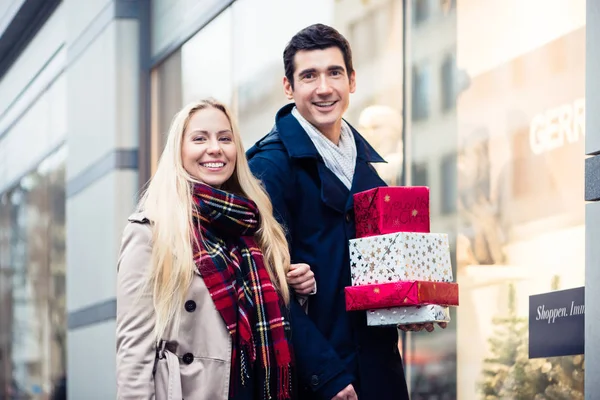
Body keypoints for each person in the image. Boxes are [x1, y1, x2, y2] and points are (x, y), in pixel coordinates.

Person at [247, 24, 444, 400]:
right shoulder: (269, 168)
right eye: (309, 76)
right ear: (288, 87)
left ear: (352, 80)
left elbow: (376, 275)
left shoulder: (369, 171)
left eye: (334, 73)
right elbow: (266, 289)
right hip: (319, 382)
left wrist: (411, 307)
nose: (324, 88)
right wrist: (326, 376)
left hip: (379, 373)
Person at [116, 99, 311, 399]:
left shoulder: (256, 227)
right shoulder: (151, 231)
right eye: (199, 138)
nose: (215, 148)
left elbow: (271, 329)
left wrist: (296, 290)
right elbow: (133, 354)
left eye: (225, 138)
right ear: (178, 152)